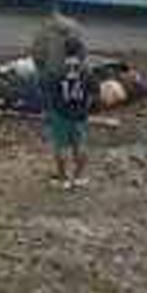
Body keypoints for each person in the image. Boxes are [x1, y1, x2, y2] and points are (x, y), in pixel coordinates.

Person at [45, 38, 97, 189]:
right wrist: (86, 106)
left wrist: (52, 108)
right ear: (80, 51)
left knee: (61, 146)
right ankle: (79, 176)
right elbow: (94, 91)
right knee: (80, 144)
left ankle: (63, 178)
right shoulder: (86, 70)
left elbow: (49, 90)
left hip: (60, 113)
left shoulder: (57, 69)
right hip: (80, 113)